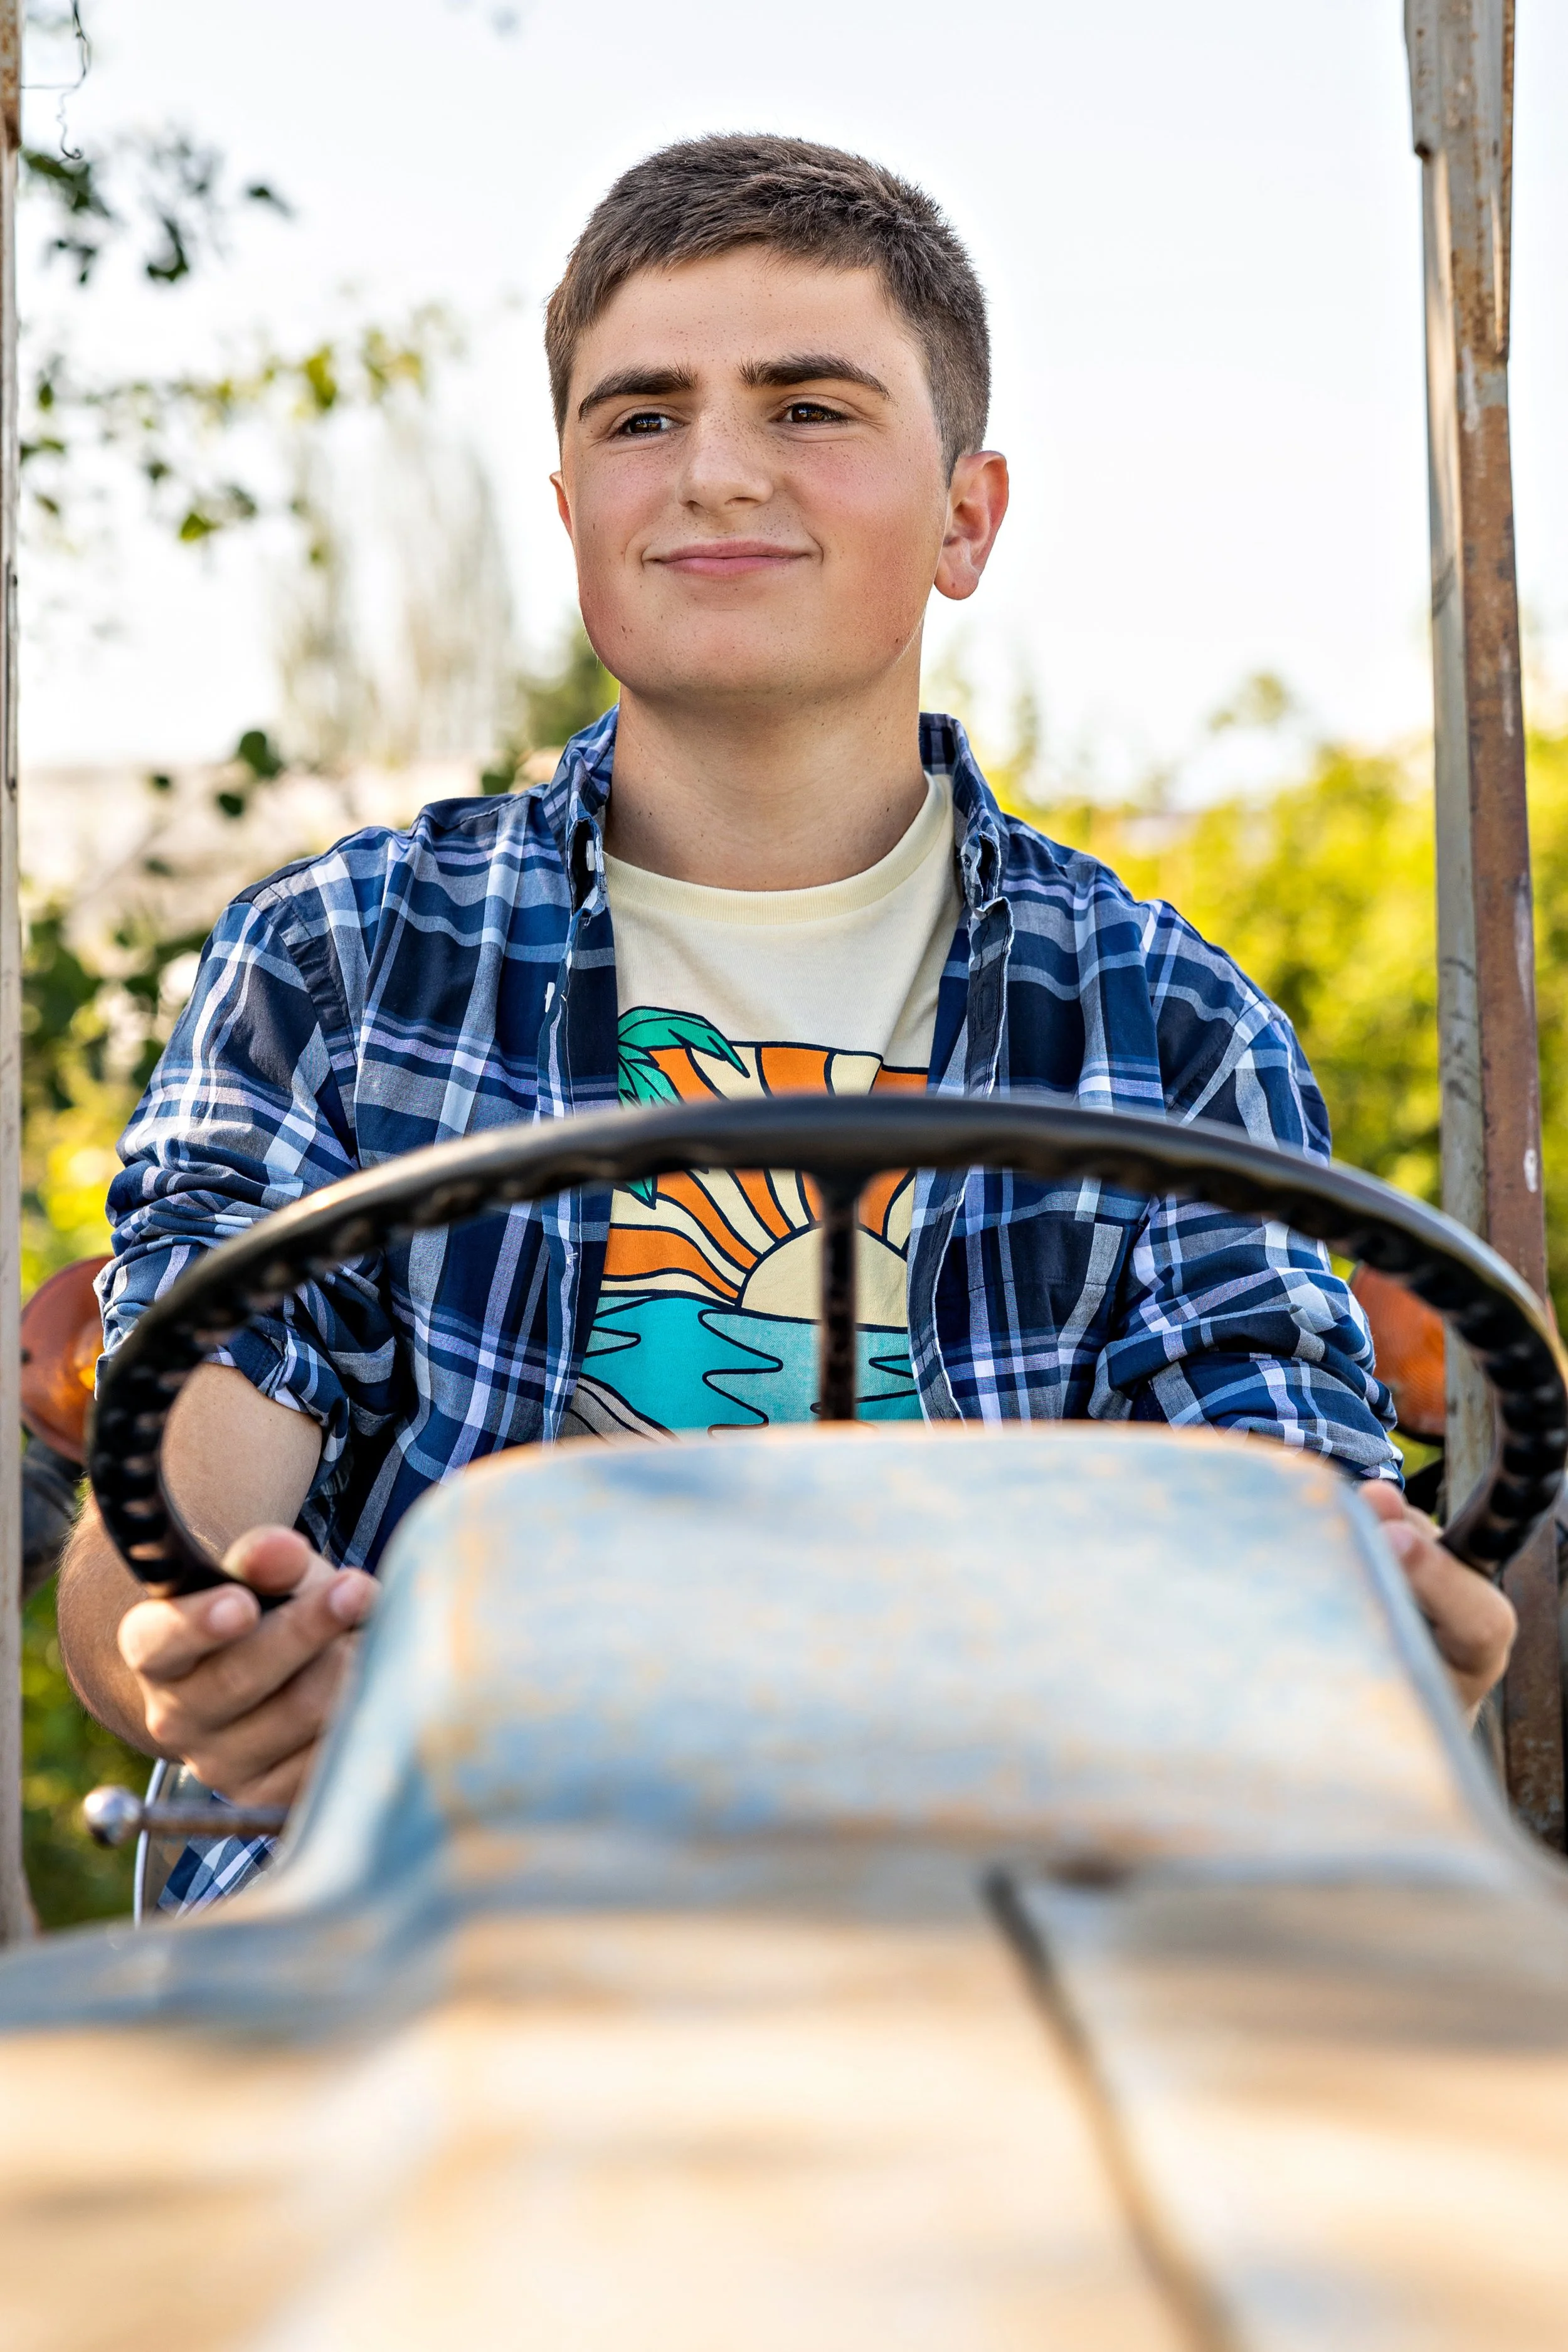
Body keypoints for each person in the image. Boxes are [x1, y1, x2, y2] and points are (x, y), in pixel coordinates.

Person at [58, 135, 1513, 1909]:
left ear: (967, 517)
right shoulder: (342, 963)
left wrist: (1356, 1647)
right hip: (440, 1900)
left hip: (998, 1911)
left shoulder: (1165, 1022)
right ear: (573, 504)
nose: (715, 472)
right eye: (641, 415)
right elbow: (182, 1492)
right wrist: (198, 1631)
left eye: (809, 406)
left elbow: (1281, 1522)